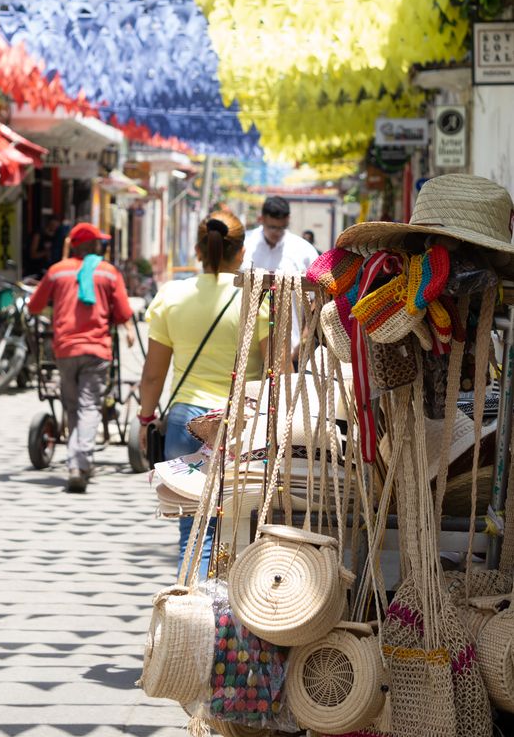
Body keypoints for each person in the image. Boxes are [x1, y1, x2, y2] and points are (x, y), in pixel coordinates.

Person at [137, 210, 268, 580]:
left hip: (184, 424)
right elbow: (279, 370)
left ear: (198, 250)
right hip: (242, 426)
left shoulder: (171, 296)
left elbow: (152, 374)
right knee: (238, 531)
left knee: (192, 531)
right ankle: (218, 618)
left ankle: (188, 610)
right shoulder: (258, 297)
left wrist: (146, 419)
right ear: (241, 252)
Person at [28, 222, 135, 492]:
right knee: (89, 406)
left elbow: (34, 306)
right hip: (96, 350)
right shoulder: (108, 272)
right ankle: (79, 461)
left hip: (64, 350)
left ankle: (78, 458)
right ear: (95, 246)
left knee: (73, 405)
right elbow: (123, 312)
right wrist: (130, 330)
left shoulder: (57, 271)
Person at [243, 196, 318, 365]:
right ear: (260, 219)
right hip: (247, 349)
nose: (277, 232)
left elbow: (316, 301)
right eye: (272, 227)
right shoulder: (244, 245)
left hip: (290, 350)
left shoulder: (304, 251)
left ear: (288, 221)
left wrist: (304, 339)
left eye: (282, 227)